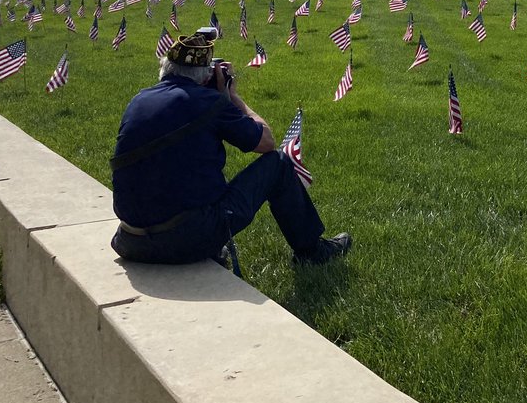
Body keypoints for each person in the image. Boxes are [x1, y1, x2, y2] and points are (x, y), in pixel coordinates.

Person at [110, 33, 351, 269]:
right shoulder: (209, 103)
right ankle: (311, 251)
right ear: (206, 76)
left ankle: (206, 246)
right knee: (278, 163)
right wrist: (232, 97)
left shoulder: (138, 100)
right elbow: (266, 141)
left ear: (166, 67)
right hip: (184, 240)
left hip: (131, 240)